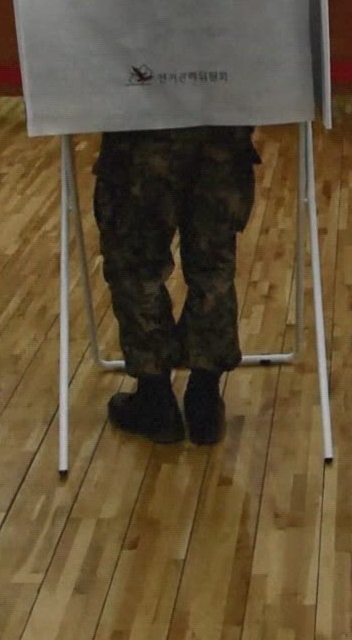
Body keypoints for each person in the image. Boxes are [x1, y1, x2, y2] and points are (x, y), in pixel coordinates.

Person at [96, 125, 259, 445]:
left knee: (137, 268)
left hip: (141, 141)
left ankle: (155, 397)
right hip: (220, 137)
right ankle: (204, 400)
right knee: (213, 269)